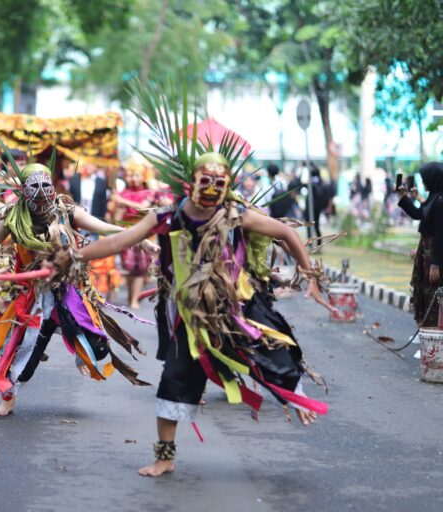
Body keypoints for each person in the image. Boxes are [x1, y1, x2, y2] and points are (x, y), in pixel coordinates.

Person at [75, 83, 332, 477]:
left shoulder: (235, 214)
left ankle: (292, 394)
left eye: (220, 182)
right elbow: (116, 241)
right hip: (190, 315)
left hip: (234, 306)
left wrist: (309, 272)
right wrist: (73, 255)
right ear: (190, 182)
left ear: (228, 185)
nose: (212, 188)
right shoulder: (166, 217)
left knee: (272, 351)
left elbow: (285, 232)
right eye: (205, 180)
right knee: (175, 377)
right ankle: (165, 456)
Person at [0, 155, 156, 417]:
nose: (41, 193)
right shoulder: (13, 219)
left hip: (68, 291)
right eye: (34, 187)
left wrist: (141, 239)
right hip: (33, 297)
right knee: (22, 354)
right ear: (23, 191)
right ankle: (8, 399)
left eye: (45, 186)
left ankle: (79, 349)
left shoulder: (67, 211)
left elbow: (107, 229)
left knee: (96, 347)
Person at [397, 162, 443, 327]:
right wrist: (404, 197)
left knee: (434, 294)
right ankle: (428, 336)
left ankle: (435, 338)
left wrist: (436, 264)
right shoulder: (433, 198)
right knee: (425, 293)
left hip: (434, 257)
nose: (422, 183)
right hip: (426, 254)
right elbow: (418, 214)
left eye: (425, 179)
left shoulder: (440, 201)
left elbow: (440, 234)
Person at [112, 166, 155, 308]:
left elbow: (142, 208)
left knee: (141, 268)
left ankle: (134, 299)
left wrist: (122, 201)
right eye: (131, 175)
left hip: (144, 233)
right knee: (129, 267)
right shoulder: (123, 193)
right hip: (127, 232)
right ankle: (132, 296)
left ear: (143, 176)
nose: (134, 178)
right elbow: (117, 217)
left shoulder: (149, 193)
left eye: (137, 175)